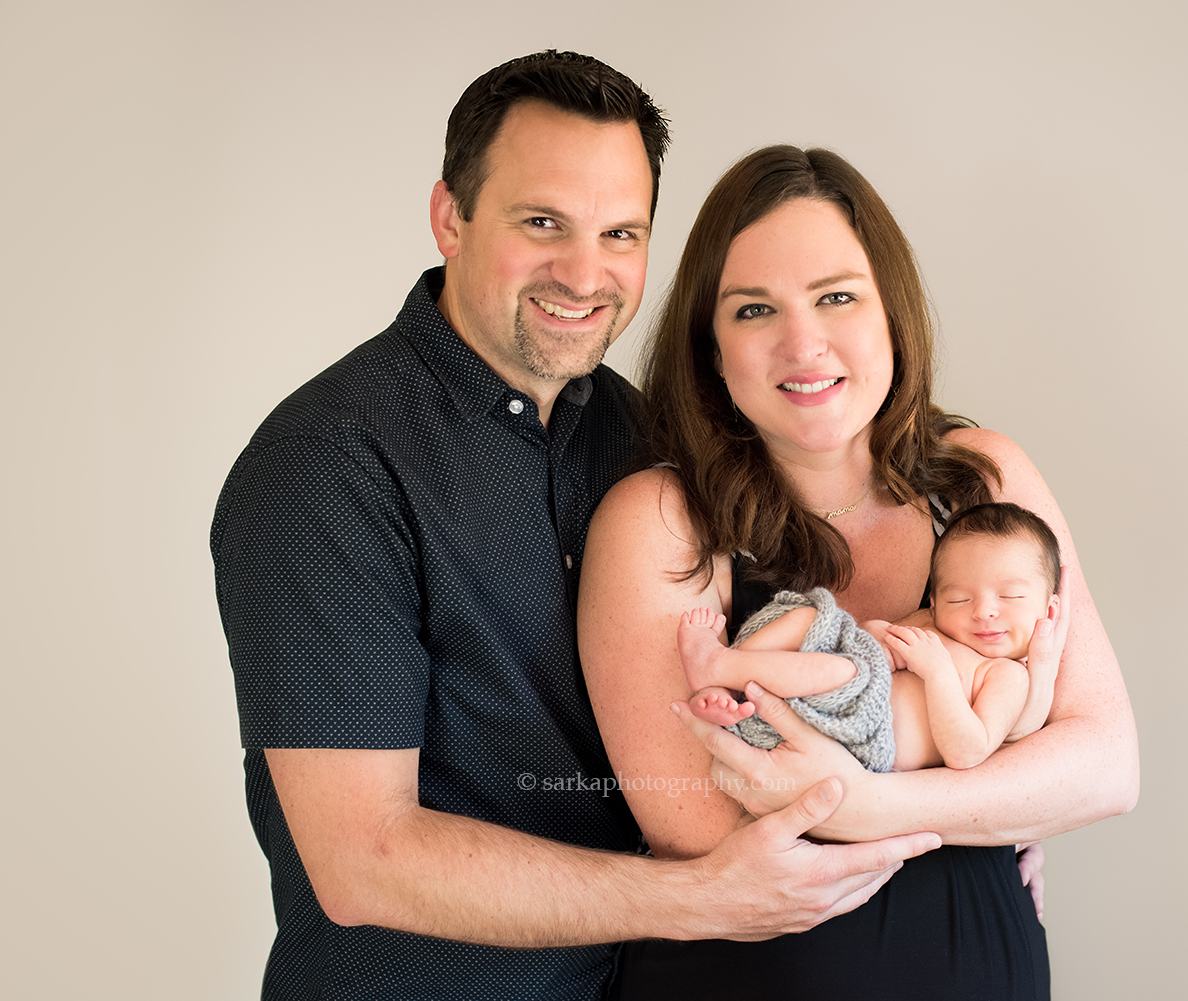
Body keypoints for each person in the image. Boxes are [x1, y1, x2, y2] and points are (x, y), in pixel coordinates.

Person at [210, 53, 940, 1001]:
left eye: (620, 232)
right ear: (450, 218)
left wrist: (968, 816)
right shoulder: (329, 463)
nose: (585, 273)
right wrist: (690, 898)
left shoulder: (647, 440)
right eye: (542, 222)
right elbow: (363, 858)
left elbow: (777, 695)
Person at [577, 145, 1139, 999]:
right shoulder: (660, 520)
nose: (803, 343)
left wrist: (878, 808)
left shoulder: (982, 478)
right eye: (754, 309)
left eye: (837, 296)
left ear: (891, 315)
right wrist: (993, 794)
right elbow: (704, 819)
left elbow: (1106, 765)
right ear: (711, 350)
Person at [680, 501, 1063, 773]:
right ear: (934, 600)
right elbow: (874, 638)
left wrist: (938, 672)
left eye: (1010, 596)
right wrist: (880, 636)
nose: (983, 611)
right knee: (812, 617)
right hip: (823, 700)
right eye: (959, 598)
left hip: (864, 736)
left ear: (1047, 611)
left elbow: (969, 751)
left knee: (842, 672)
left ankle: (719, 664)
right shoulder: (931, 624)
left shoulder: (1006, 676)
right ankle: (730, 686)